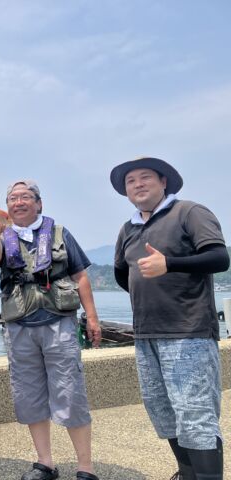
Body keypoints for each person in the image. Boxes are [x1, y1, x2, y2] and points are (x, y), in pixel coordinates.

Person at [111, 157, 228, 480]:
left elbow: (220, 258)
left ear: (163, 182)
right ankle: (186, 474)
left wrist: (170, 265)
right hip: (146, 334)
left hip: (188, 332)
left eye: (145, 177)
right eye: (130, 181)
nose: (137, 184)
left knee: (195, 417)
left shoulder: (189, 212)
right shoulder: (128, 229)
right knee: (163, 413)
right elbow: (122, 272)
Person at [0, 179, 101, 480]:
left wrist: (92, 317)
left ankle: (85, 467)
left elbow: (80, 276)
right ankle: (45, 463)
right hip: (19, 326)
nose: (19, 201)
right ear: (7, 207)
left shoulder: (60, 233)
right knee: (29, 396)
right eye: (13, 198)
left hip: (59, 322)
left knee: (70, 392)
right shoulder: (2, 234)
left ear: (39, 203)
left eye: (25, 196)